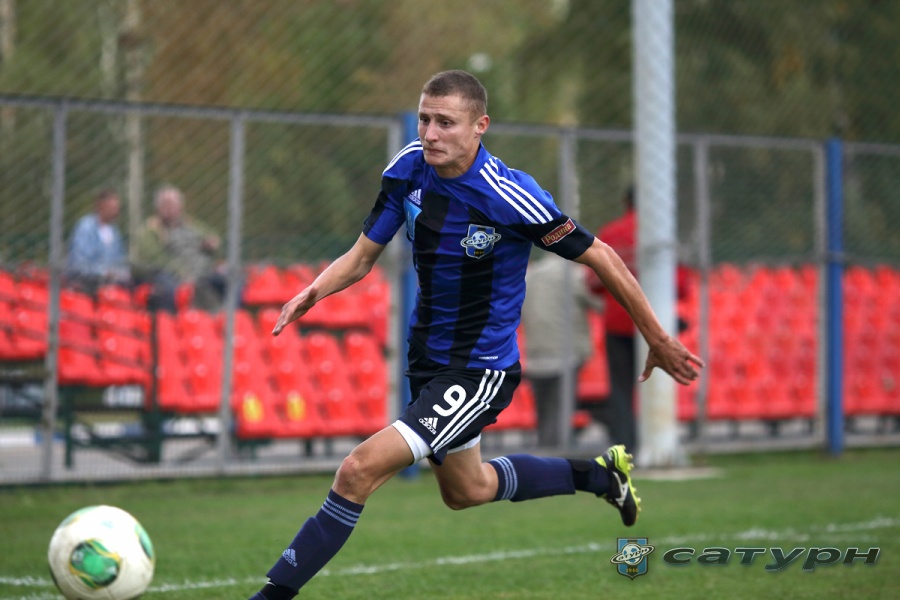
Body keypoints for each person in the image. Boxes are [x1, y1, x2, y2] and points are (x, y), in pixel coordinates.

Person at [248, 70, 703, 600]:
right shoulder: (408, 170)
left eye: (445, 122)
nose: (430, 133)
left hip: (478, 370)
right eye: (425, 119)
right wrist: (314, 290)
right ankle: (601, 476)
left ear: (479, 126)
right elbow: (362, 256)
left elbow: (600, 255)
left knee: (357, 470)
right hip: (427, 359)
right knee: (468, 489)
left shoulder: (510, 195)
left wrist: (658, 337)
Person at [586, 186, 691, 454]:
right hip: (656, 324)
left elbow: (593, 284)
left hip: (618, 322)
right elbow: (682, 286)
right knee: (658, 384)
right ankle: (659, 443)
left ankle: (625, 449)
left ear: (626, 201)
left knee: (621, 389)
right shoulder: (663, 236)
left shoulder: (610, 233)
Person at [520, 252, 600, 448]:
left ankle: (545, 449)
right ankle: (558, 451)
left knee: (544, 410)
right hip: (567, 352)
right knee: (561, 409)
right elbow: (599, 303)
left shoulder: (529, 276)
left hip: (535, 352)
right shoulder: (574, 275)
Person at [133, 185, 226, 312]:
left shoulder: (192, 224)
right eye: (165, 204)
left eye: (173, 204)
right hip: (172, 273)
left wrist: (212, 245)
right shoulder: (151, 229)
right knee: (173, 288)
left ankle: (229, 316)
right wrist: (181, 272)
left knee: (230, 280)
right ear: (158, 208)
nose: (170, 208)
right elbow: (157, 258)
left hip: (203, 270)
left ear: (181, 207)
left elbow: (214, 239)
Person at [65, 189, 130, 293]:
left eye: (117, 208)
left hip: (111, 283)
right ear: (101, 206)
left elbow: (120, 260)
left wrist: (121, 273)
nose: (116, 212)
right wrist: (103, 272)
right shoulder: (85, 227)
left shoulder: (115, 231)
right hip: (86, 282)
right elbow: (78, 262)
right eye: (112, 208)